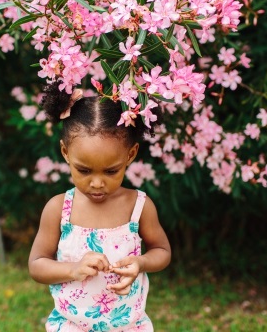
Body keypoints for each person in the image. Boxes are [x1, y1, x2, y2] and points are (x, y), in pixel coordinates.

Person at [28, 83, 171, 331]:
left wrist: (141, 263)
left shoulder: (139, 206)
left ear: (130, 155)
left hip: (129, 325)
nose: (96, 183)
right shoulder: (59, 209)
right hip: (71, 325)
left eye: (111, 171)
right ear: (65, 153)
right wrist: (73, 269)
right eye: (83, 170)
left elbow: (162, 251)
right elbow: (37, 264)